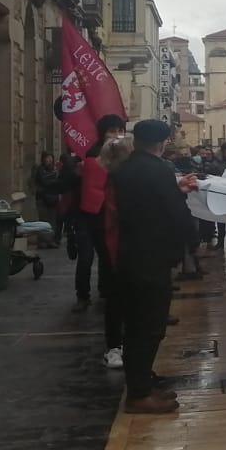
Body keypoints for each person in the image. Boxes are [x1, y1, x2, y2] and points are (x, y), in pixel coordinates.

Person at [110, 120, 195, 414]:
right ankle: (139, 393)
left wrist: (177, 190)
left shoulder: (127, 168)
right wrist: (190, 242)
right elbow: (174, 214)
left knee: (135, 324)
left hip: (131, 254)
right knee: (149, 326)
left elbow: (149, 202)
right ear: (163, 142)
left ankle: (140, 383)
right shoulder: (159, 169)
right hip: (152, 257)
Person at [75, 114, 127, 313]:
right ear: (103, 133)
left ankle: (107, 290)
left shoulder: (125, 155)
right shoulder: (92, 155)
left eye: (120, 131)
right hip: (89, 215)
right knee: (86, 257)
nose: (116, 135)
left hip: (111, 215)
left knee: (108, 257)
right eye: (112, 131)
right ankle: (82, 295)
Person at [98, 136, 136, 370]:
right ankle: (116, 345)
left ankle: (119, 344)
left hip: (118, 246)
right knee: (119, 299)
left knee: (121, 299)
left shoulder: (119, 179)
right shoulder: (116, 180)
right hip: (117, 246)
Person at [33, 153, 63, 248]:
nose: (49, 160)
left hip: (53, 197)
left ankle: (50, 240)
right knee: (43, 220)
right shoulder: (40, 169)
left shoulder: (55, 170)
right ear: (43, 159)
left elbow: (58, 181)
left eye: (50, 158)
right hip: (42, 197)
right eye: (47, 158)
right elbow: (44, 181)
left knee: (52, 220)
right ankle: (42, 241)